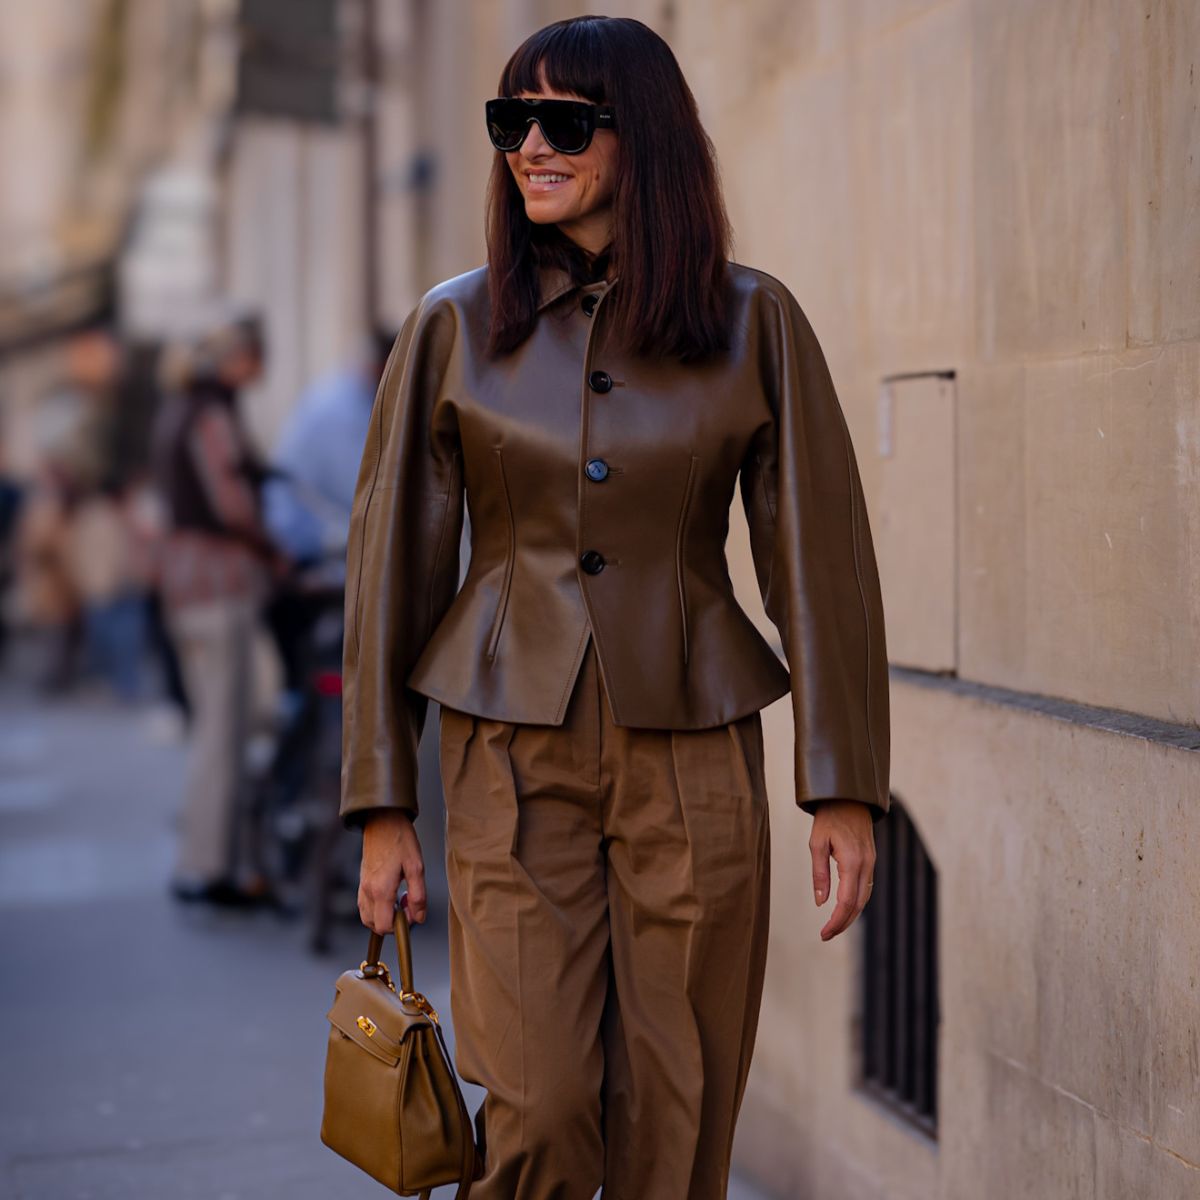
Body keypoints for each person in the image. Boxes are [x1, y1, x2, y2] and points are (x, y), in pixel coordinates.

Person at [340, 16, 890, 1199]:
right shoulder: (452, 326)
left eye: (564, 122)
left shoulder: (752, 322)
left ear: (643, 137)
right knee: (537, 1112)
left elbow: (821, 561)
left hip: (693, 751)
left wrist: (843, 785)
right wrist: (382, 803)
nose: (530, 147)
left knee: (676, 1114)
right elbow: (391, 572)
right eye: (512, 121)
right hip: (507, 751)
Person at [150, 313, 286, 907]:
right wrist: (273, 550)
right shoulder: (210, 414)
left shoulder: (177, 409)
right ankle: (211, 868)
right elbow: (232, 504)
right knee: (223, 730)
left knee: (215, 726)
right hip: (218, 585)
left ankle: (208, 860)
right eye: (253, 354)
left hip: (185, 584)